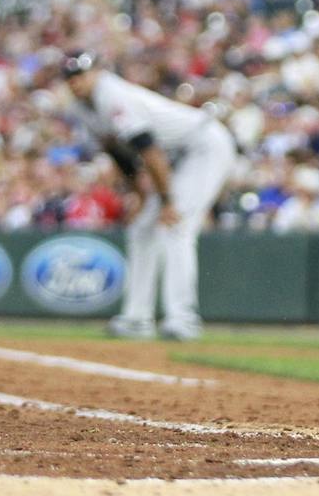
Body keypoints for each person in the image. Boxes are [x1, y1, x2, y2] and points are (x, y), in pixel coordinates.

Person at [60, 53, 236, 341]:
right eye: (70, 78)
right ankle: (136, 319)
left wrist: (167, 202)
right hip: (174, 157)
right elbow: (119, 154)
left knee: (176, 226)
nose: (76, 82)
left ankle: (183, 320)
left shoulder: (112, 95)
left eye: (81, 74)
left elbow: (149, 152)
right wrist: (140, 195)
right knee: (142, 229)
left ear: (96, 73)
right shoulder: (82, 107)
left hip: (203, 146)